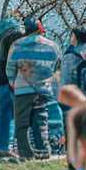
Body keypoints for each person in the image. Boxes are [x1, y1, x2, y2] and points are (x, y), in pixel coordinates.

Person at [7, 17, 61, 161]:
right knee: (40, 120)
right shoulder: (52, 46)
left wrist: (13, 82)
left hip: (22, 89)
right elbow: (55, 66)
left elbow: (10, 68)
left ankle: (25, 153)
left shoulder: (17, 45)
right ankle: (43, 151)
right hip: (43, 88)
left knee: (22, 123)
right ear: (40, 29)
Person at [0, 15, 25, 162]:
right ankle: (8, 147)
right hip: (12, 79)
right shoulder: (14, 36)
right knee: (12, 115)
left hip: (0, 80)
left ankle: (0, 146)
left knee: (3, 114)